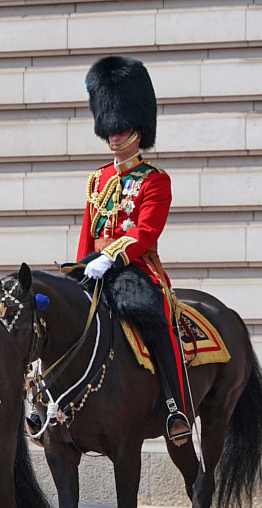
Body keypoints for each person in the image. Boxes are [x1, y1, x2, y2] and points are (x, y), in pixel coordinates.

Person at [76, 55, 191, 445]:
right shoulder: (97, 178)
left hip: (134, 268)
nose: (113, 136)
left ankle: (176, 406)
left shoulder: (154, 179)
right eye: (109, 129)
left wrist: (114, 256)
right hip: (96, 266)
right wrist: (80, 268)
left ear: (137, 131)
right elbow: (87, 231)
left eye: (120, 129)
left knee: (156, 322)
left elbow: (146, 231)